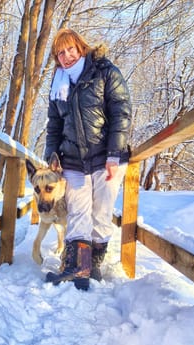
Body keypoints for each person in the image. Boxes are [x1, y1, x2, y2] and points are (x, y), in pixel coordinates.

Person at [44, 28, 132, 291]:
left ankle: (93, 264)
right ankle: (76, 266)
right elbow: (53, 124)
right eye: (61, 53)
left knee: (101, 212)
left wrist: (114, 153)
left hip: (107, 157)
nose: (67, 56)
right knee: (78, 212)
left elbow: (121, 112)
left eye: (70, 49)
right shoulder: (58, 83)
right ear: (56, 58)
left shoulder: (104, 71)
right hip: (72, 160)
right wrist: (51, 156)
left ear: (81, 47)